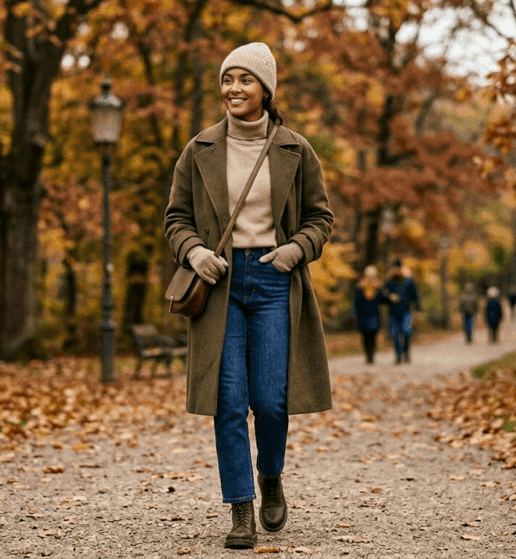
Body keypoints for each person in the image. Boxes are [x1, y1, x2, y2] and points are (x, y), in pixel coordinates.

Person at [163, 42, 334, 550]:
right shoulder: (199, 150)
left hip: (274, 279)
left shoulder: (296, 148)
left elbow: (320, 219)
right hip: (220, 286)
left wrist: (295, 250)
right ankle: (241, 508)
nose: (232, 89)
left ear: (266, 89)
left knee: (272, 401)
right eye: (227, 79)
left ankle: (271, 478)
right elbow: (176, 220)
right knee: (229, 401)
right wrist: (194, 253)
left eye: (244, 80)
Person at [383, 259, 421, 363]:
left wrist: (418, 309)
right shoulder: (389, 281)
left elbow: (415, 295)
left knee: (406, 332)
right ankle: (398, 355)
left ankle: (406, 352)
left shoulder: (408, 280)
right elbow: (382, 295)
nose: (396, 271)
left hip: (406, 311)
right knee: (395, 335)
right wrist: (389, 297)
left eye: (398, 269)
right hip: (393, 312)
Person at [353, 266, 382, 364]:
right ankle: (368, 355)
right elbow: (356, 301)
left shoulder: (378, 287)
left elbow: (382, 298)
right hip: (363, 315)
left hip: (374, 314)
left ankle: (372, 354)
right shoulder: (359, 286)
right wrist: (355, 313)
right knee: (365, 336)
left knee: (373, 335)